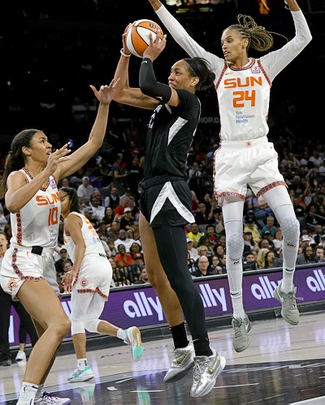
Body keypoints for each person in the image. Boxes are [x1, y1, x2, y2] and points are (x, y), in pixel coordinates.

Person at [130, 0, 311, 353]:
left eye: (229, 40)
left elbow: (303, 38)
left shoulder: (266, 67)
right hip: (230, 154)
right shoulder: (220, 70)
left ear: (244, 41)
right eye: (222, 42)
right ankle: (238, 315)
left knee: (292, 224)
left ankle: (288, 288)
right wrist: (154, 2)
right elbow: (183, 39)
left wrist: (292, 2)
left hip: (261, 151)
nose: (223, 46)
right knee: (232, 239)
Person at [111, 21, 224, 398]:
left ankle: (207, 354)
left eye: (177, 71)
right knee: (156, 277)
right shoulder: (163, 105)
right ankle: (182, 348)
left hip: (169, 190)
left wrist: (147, 56)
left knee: (179, 278)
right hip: (149, 192)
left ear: (193, 81)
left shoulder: (189, 102)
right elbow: (118, 92)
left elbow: (146, 84)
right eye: (169, 69)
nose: (171, 74)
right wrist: (126, 53)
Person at [0, 80, 117, 405]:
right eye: (42, 141)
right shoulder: (19, 176)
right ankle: (26, 399)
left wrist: (104, 105)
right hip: (21, 259)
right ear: (26, 150)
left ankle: (37, 395)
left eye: (48, 140)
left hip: (45, 262)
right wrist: (46, 171)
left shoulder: (52, 174)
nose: (48, 144)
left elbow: (93, 143)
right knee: (61, 323)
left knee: (44, 337)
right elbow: (12, 204)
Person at [59, 186, 143, 383]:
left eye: (60, 198)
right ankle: (126, 334)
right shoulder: (79, 218)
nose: (56, 201)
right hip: (103, 266)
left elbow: (81, 245)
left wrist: (74, 270)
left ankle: (83, 367)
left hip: (88, 265)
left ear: (69, 200)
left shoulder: (71, 218)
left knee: (76, 319)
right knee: (89, 320)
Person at [0, 232, 39, 366]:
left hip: (16, 288)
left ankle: (38, 350)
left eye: (2, 239)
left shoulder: (13, 255)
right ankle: (5, 356)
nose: (0, 241)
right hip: (1, 291)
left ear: (7, 241)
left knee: (28, 321)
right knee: (3, 325)